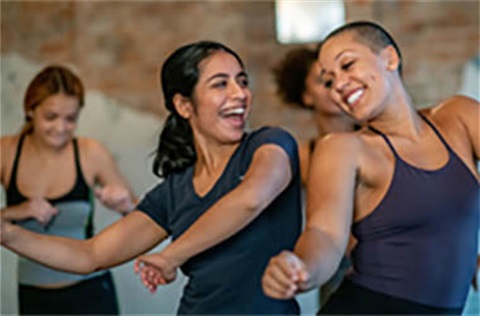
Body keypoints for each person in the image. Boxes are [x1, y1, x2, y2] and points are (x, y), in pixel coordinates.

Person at [2, 41, 302, 315]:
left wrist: (172, 255)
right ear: (185, 106)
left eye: (242, 81)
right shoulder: (173, 192)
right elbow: (90, 255)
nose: (240, 94)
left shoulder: (270, 145)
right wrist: (9, 234)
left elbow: (250, 199)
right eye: (220, 84)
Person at [261, 21, 479, 315]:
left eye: (347, 65)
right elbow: (323, 234)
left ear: (390, 58)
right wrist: (302, 268)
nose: (338, 84)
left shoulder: (459, 117)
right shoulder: (341, 149)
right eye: (328, 81)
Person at [0, 65, 136, 315]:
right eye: (51, 117)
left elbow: (144, 221)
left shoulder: (90, 152)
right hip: (34, 296)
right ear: (30, 110)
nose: (61, 128)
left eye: (70, 119)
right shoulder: (6, 152)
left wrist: (126, 206)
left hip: (91, 293)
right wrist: (15, 212)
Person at [272, 46, 357, 307]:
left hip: (387, 261)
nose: (336, 88)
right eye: (325, 82)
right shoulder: (304, 155)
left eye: (341, 79)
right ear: (307, 96)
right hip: (337, 266)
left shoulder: (375, 143)